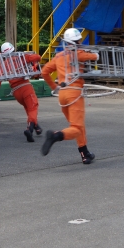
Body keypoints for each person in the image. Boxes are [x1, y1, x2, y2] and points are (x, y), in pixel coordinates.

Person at [41, 28, 99, 164]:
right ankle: (56, 136)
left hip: (63, 94)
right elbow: (95, 57)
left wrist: (54, 87)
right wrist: (95, 54)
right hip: (75, 93)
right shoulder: (78, 53)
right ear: (76, 41)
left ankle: (85, 154)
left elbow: (44, 72)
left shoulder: (59, 56)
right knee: (77, 128)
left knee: (76, 126)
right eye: (78, 41)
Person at [0, 42, 43, 142]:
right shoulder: (21, 57)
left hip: (15, 91)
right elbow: (37, 57)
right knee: (33, 107)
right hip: (25, 87)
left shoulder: (4, 63)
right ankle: (30, 129)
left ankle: (36, 127)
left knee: (28, 108)